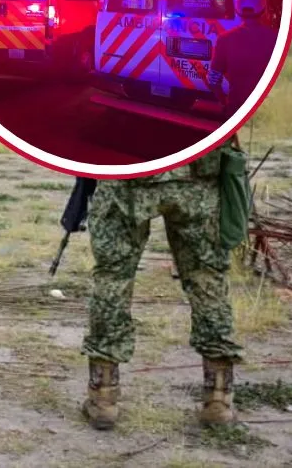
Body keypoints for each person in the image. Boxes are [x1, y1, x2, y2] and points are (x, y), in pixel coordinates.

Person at [81, 148, 241, 430]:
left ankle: (103, 395)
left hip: (126, 171)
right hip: (195, 175)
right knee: (207, 279)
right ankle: (219, 397)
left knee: (112, 279)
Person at [207, 0, 278, 120]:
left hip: (237, 108)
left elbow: (213, 79)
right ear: (262, 10)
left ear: (238, 11)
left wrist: (223, 102)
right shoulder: (277, 38)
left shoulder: (225, 39)